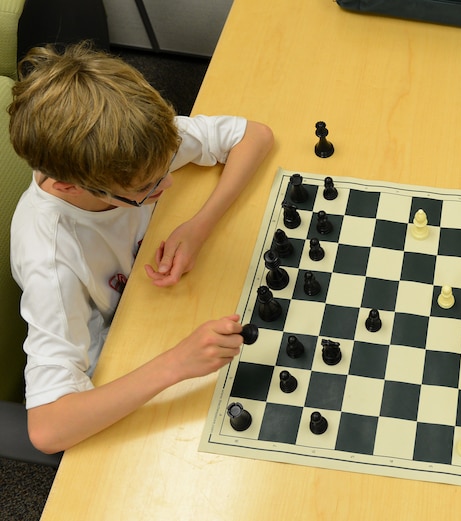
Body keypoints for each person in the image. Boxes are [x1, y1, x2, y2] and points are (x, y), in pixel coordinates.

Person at [8, 43, 274, 454]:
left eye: (164, 167)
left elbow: (254, 136)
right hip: (118, 361)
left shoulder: (133, 143)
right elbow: (48, 429)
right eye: (145, 190)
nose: (164, 185)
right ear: (68, 186)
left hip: (158, 302)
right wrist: (176, 364)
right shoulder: (52, 261)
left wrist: (200, 225)